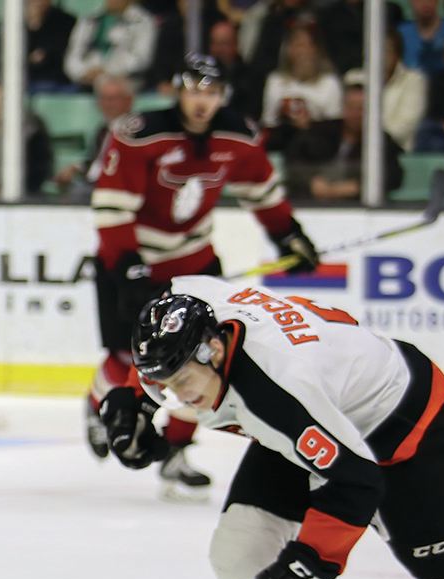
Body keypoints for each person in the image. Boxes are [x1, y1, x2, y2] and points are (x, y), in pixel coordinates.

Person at [97, 281, 444, 579]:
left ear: (215, 349)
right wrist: (129, 397)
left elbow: (353, 481)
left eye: (180, 381)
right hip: (316, 420)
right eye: (160, 385)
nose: (173, 396)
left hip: (399, 418)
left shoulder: (277, 388)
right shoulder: (193, 307)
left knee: (437, 565)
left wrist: (311, 564)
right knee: (239, 553)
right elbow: (159, 307)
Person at [86, 53, 319, 499]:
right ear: (178, 90)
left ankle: (175, 451)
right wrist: (130, 267)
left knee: (201, 362)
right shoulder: (140, 135)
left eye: (211, 93)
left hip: (193, 264)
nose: (202, 101)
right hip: (129, 263)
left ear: (221, 97)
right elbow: (111, 208)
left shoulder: (238, 136)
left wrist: (290, 233)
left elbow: (261, 192)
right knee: (124, 357)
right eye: (194, 90)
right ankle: (98, 406)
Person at [277, 80, 404, 201]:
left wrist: (357, 187)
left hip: (357, 207)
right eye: (351, 107)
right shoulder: (320, 131)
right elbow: (292, 160)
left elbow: (393, 176)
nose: (355, 113)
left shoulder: (381, 140)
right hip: (311, 203)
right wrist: (311, 181)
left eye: (361, 109)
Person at [51, 72, 132, 195]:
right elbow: (95, 161)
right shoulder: (103, 130)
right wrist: (77, 167)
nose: (108, 104)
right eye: (104, 99)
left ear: (128, 101)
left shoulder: (135, 133)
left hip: (112, 188)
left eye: (113, 99)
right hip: (92, 184)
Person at [260, 26, 342, 132]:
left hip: (318, 140)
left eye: (309, 45)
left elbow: (335, 125)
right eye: (299, 45)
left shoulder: (330, 83)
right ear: (289, 50)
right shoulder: (275, 81)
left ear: (316, 50)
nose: (304, 52)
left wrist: (310, 125)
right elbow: (268, 123)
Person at [63, 0, 157, 90]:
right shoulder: (89, 19)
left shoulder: (143, 21)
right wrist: (82, 72)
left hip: (125, 81)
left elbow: (141, 59)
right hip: (86, 81)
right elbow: (73, 54)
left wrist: (107, 72)